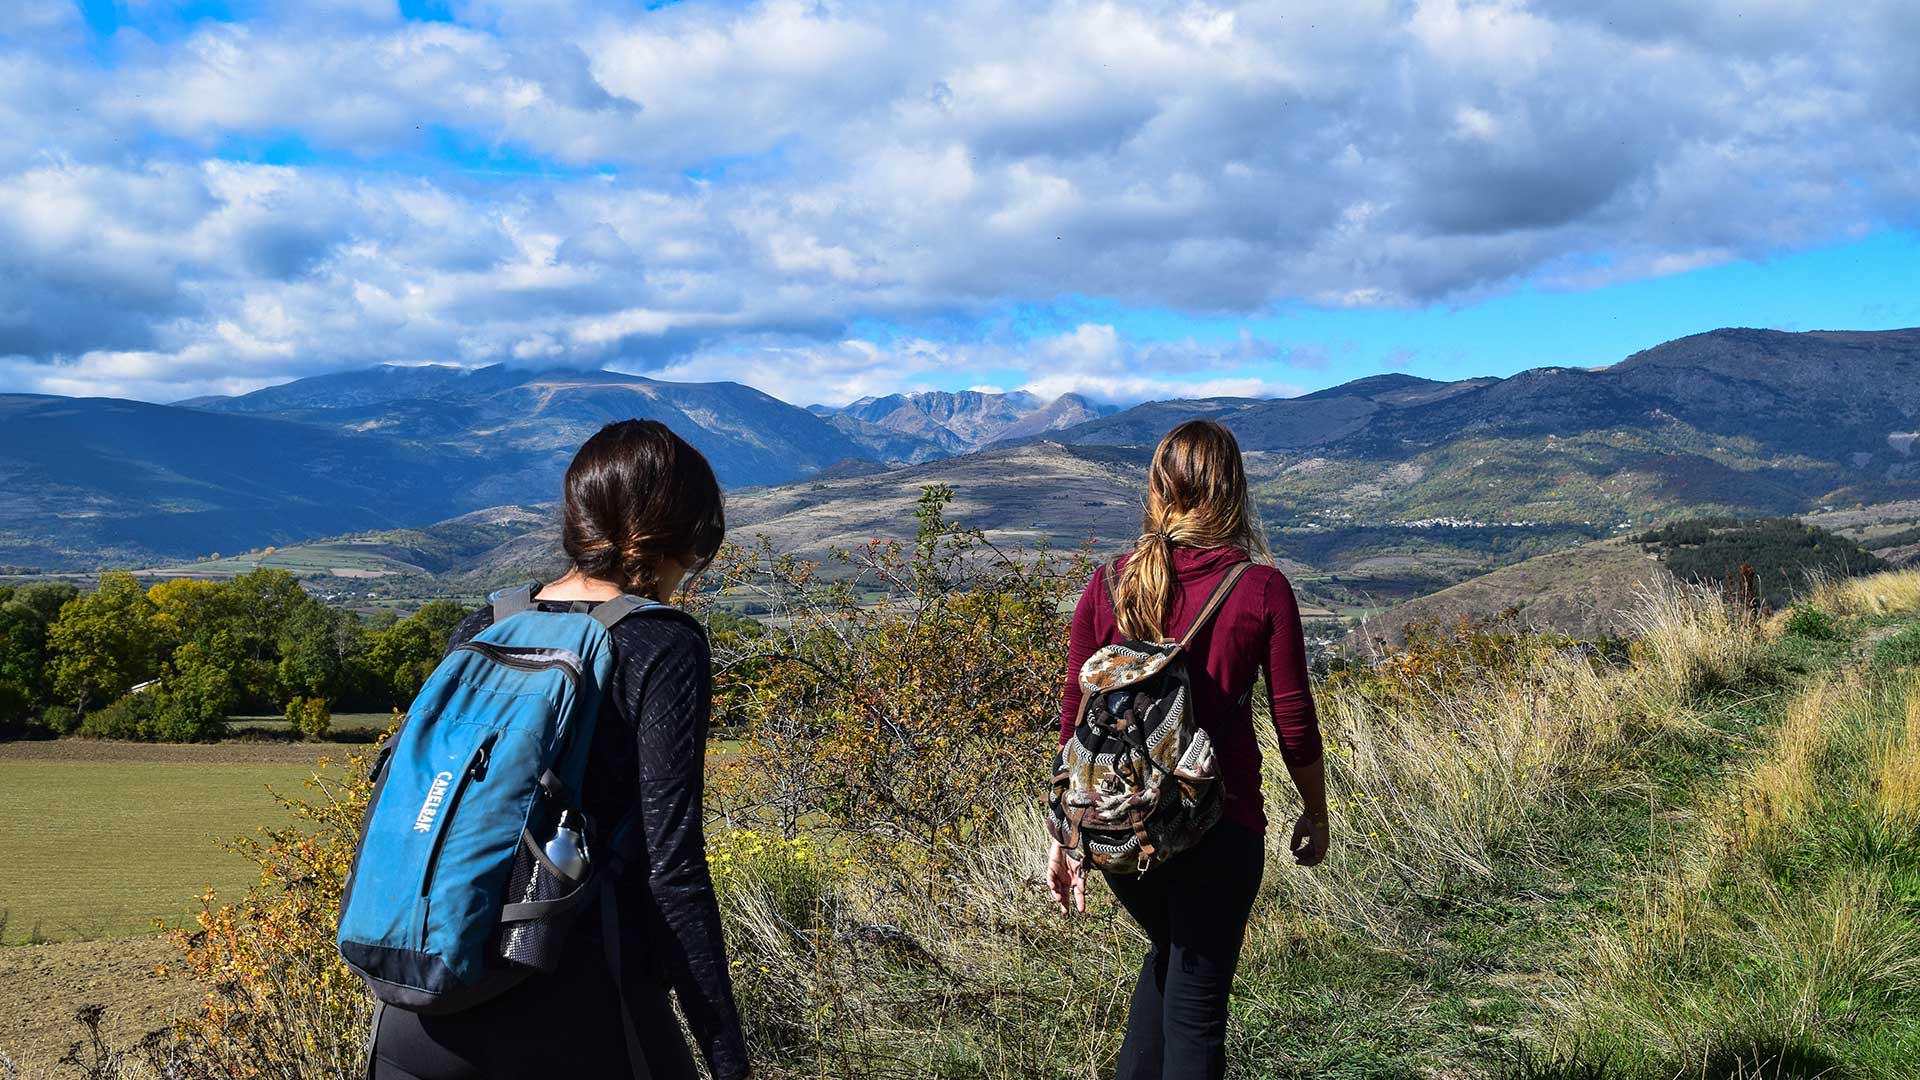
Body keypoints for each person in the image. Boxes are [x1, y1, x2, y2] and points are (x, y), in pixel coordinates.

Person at [370, 419, 751, 1080]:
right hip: (577, 1014)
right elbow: (674, 870)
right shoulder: (659, 644)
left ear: (574, 522)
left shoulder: (485, 626)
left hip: (417, 1013)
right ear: (682, 533)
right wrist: (727, 1058)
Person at [1048, 419, 1329, 1080]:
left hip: (1122, 828)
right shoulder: (1259, 589)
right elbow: (1294, 721)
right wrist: (1315, 813)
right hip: (1219, 827)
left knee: (1170, 959)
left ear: (1157, 489)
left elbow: (1076, 712)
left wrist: (1067, 834)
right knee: (1196, 1014)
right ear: (1234, 491)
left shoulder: (1109, 581)